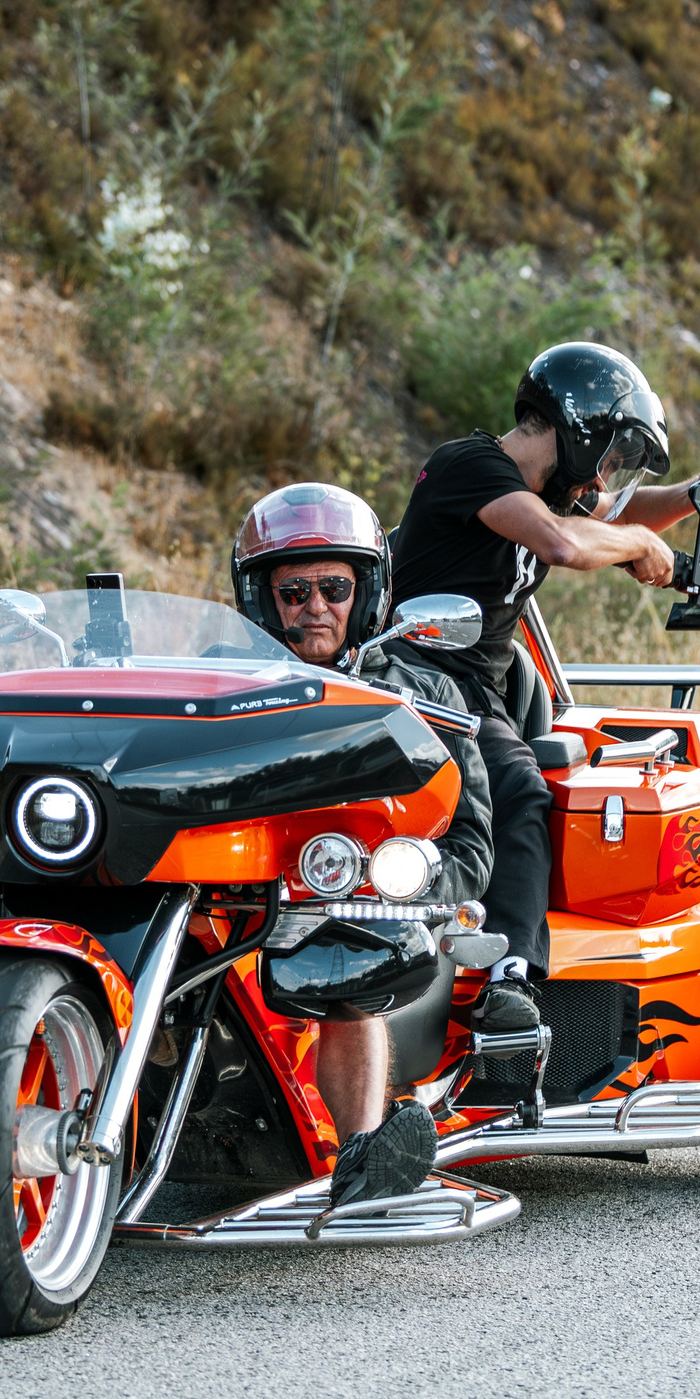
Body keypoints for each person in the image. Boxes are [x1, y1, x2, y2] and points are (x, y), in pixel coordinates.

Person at [388, 342, 700, 1033]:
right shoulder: (472, 467)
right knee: (519, 788)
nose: (607, 476)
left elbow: (612, 515)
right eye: (612, 454)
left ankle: (505, 970)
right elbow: (564, 542)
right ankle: (511, 984)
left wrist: (694, 497)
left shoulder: (543, 491)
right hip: (417, 683)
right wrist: (644, 550)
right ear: (580, 429)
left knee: (542, 775)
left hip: (473, 694)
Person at [231, 481, 494, 1209]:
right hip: (242, 901)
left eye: (335, 588)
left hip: (371, 906)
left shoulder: (422, 698)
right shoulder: (226, 692)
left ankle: (363, 1155)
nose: (315, 607)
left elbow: (471, 844)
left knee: (346, 957)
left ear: (367, 589)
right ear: (262, 599)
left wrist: (394, 881)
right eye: (293, 592)